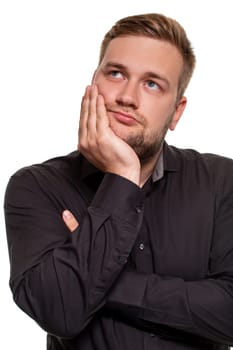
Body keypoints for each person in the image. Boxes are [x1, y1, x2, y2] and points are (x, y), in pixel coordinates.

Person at [4, 12, 233, 350]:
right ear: (93, 83)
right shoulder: (36, 186)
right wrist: (122, 177)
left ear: (177, 112)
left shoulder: (222, 181)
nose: (127, 96)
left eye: (152, 83)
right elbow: (59, 311)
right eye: (116, 73)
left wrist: (99, 280)